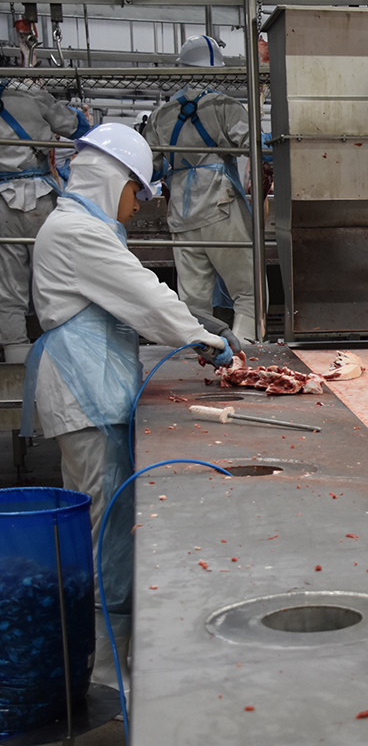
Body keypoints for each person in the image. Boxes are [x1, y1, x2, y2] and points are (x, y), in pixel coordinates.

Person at [21, 123, 237, 613]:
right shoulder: (77, 232)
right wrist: (201, 337)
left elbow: (131, 291)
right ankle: (104, 651)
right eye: (136, 190)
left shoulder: (82, 227)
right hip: (84, 389)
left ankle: (105, 630)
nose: (139, 204)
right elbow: (143, 297)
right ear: (113, 181)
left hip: (90, 387)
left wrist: (194, 319)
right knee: (104, 518)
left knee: (106, 512)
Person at [142, 35, 256, 343]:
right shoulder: (225, 105)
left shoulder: (161, 115)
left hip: (182, 212)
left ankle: (202, 354)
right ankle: (246, 350)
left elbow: (150, 166)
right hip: (220, 207)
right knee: (249, 290)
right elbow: (254, 146)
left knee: (193, 299)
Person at [0, 82, 90, 362]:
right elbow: (77, 127)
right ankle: (62, 352)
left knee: (8, 285)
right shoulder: (32, 98)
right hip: (40, 198)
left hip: (2, 202)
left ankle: (16, 360)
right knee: (53, 276)